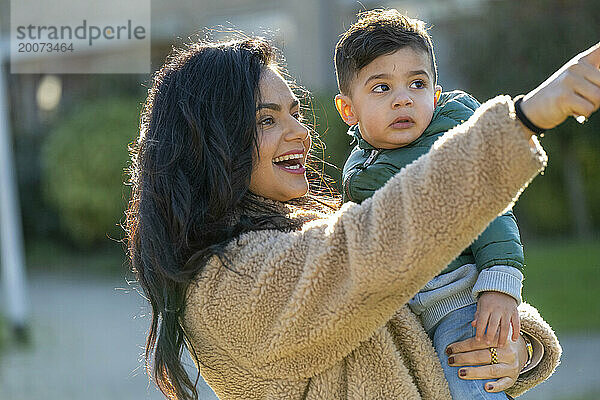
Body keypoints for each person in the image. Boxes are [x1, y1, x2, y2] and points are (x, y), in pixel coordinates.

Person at [125, 34, 600, 400]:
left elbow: (421, 306)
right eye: (266, 120)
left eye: (295, 113)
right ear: (211, 145)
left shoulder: (304, 228)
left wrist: (509, 348)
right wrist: (527, 117)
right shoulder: (226, 286)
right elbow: (373, 250)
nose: (300, 134)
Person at [334, 10, 524, 399]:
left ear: (435, 95)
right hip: (409, 317)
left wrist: (500, 284)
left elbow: (490, 207)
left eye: (416, 84)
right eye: (381, 88)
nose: (403, 99)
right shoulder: (359, 172)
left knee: (471, 380)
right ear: (349, 111)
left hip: (460, 302)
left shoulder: (451, 141)